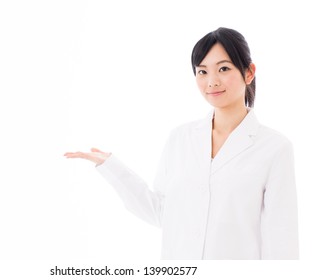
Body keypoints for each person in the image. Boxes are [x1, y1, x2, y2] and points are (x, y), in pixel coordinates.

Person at [64, 27, 299, 260]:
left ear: (249, 73)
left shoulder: (274, 148)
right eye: (202, 72)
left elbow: (281, 240)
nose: (212, 81)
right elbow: (162, 213)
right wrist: (111, 167)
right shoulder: (180, 138)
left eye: (224, 68)